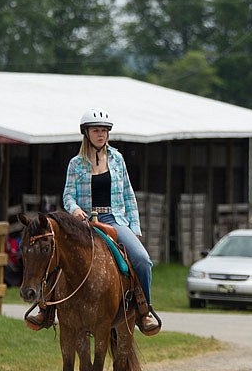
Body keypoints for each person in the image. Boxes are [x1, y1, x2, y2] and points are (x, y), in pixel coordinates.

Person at [25, 108, 160, 336]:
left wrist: (134, 228)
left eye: (105, 131)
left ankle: (143, 310)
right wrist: (75, 209)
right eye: (96, 130)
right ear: (86, 133)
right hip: (83, 223)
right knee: (55, 256)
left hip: (114, 220)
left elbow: (129, 195)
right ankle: (45, 310)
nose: (101, 135)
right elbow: (68, 195)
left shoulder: (118, 159)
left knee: (143, 260)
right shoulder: (76, 164)